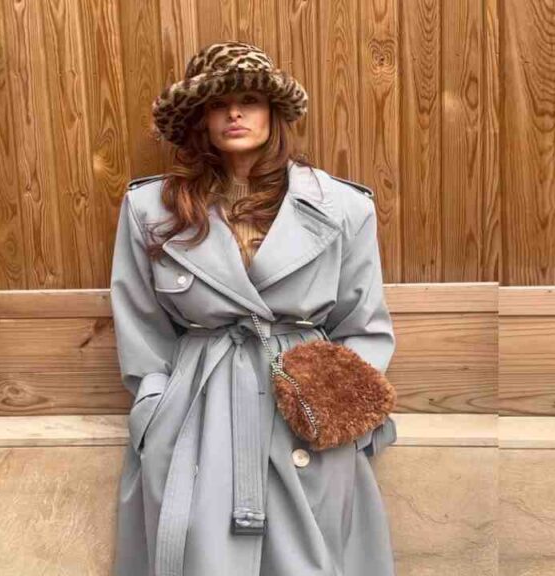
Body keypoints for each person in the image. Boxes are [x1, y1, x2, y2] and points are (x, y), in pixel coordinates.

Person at [109, 41, 398, 576]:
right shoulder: (150, 210)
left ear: (274, 114)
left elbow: (365, 323)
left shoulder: (344, 208)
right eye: (219, 104)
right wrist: (156, 407)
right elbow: (140, 324)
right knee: (200, 553)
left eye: (249, 100)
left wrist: (338, 407)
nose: (235, 113)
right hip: (198, 406)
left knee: (309, 556)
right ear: (201, 120)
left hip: (302, 406)